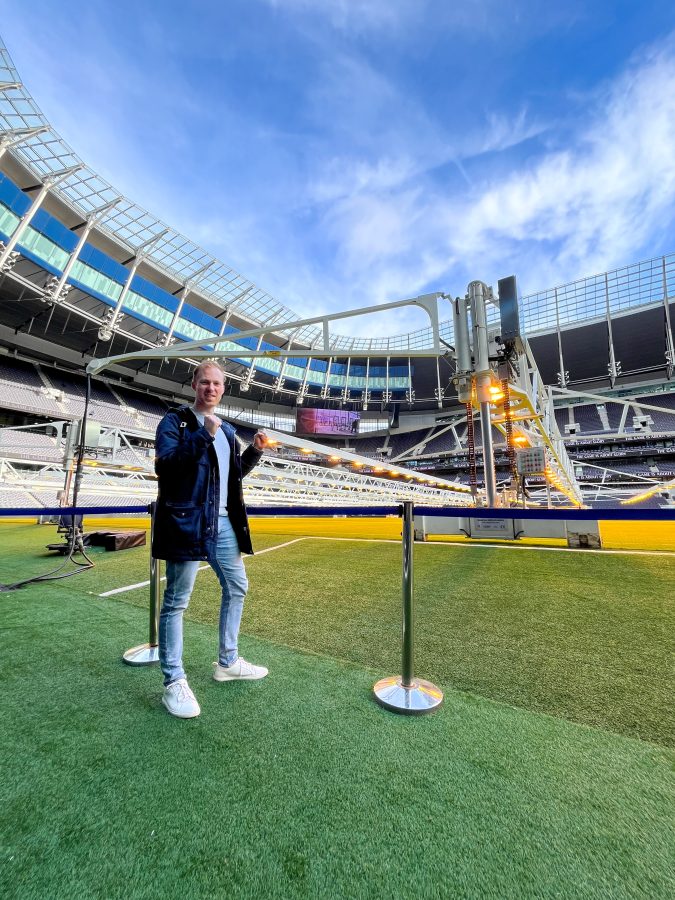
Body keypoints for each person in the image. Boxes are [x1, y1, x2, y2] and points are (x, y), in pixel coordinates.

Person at [152, 359, 269, 719]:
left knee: (237, 585)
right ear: (194, 384)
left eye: (217, 383)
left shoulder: (230, 431)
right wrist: (203, 435)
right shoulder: (176, 420)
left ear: (223, 388)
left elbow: (232, 478)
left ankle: (228, 661)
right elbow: (166, 467)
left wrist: (255, 452)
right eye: (205, 382)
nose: (211, 388)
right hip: (187, 521)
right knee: (177, 600)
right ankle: (174, 681)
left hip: (222, 523)